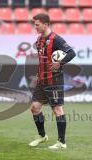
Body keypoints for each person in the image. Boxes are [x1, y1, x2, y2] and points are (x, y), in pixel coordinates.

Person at [28, 13, 76, 149]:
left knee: (57, 110)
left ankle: (62, 142)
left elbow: (71, 53)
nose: (35, 27)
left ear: (46, 24)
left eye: (37, 25)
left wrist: (60, 63)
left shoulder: (56, 39)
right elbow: (43, 59)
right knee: (34, 108)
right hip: (41, 80)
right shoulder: (39, 40)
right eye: (35, 24)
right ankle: (42, 136)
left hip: (54, 80)